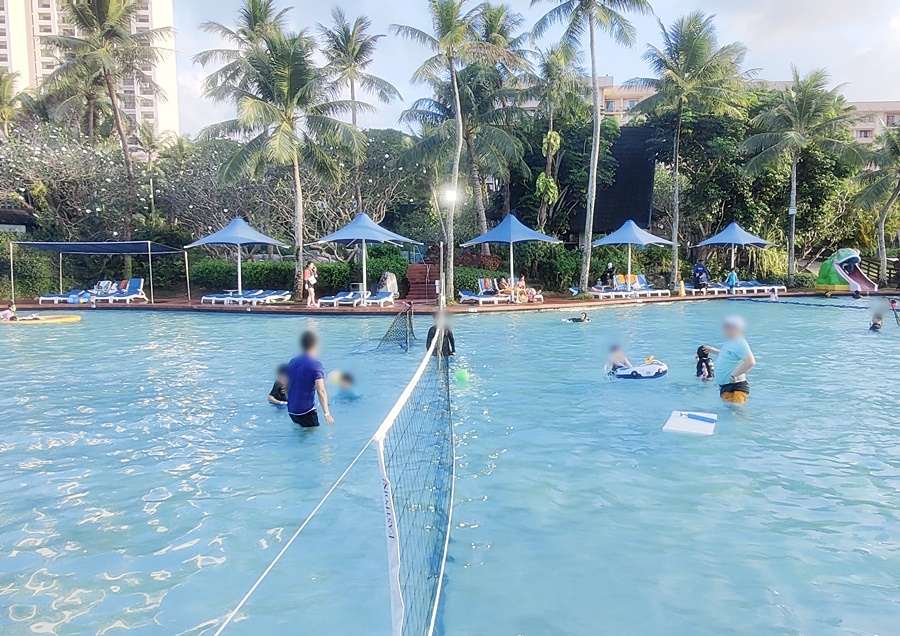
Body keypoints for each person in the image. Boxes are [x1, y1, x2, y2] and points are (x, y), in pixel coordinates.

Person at [285, 331, 334, 427]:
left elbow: (286, 385)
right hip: (306, 411)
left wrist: (290, 402)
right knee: (313, 437)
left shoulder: (292, 362)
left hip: (291, 411)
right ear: (315, 345)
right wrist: (327, 414)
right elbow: (321, 391)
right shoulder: (316, 365)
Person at [703, 316, 756, 404]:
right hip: (727, 387)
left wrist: (734, 376)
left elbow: (750, 362)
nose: (724, 330)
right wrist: (715, 351)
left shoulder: (740, 343)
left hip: (736, 387)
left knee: (737, 414)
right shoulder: (731, 342)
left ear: (735, 328)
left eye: (727, 327)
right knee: (730, 412)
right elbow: (730, 356)